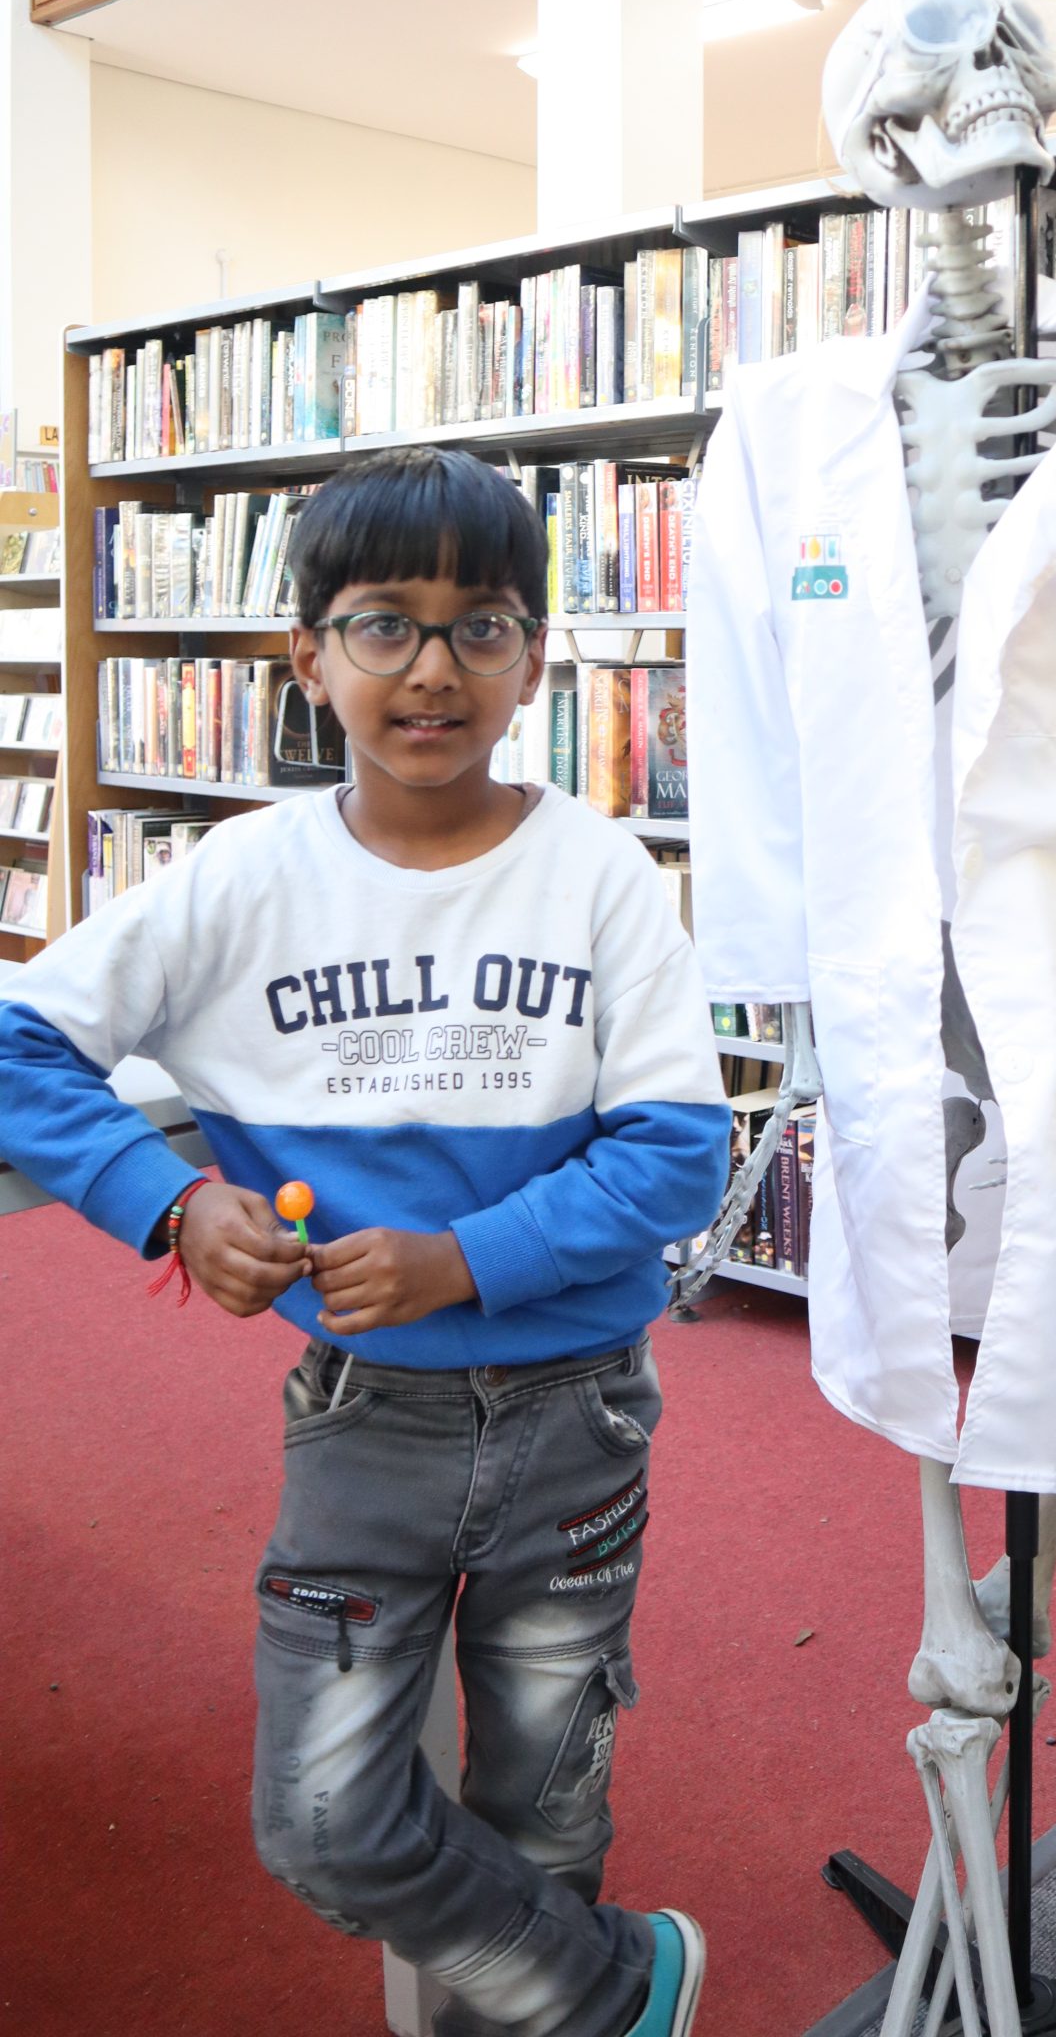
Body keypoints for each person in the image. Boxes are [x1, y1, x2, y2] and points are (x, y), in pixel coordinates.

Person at [0, 446, 728, 2037]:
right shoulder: (248, 875)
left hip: (578, 1414)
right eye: (383, 624)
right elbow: (16, 1047)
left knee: (546, 1805)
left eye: (481, 627)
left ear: (538, 655)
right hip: (365, 1423)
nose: (431, 669)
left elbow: (680, 1151)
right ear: (307, 655)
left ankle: (551, 1995)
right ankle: (621, 1994)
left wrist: (463, 1259)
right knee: (326, 1821)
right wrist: (173, 1204)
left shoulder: (601, 875)